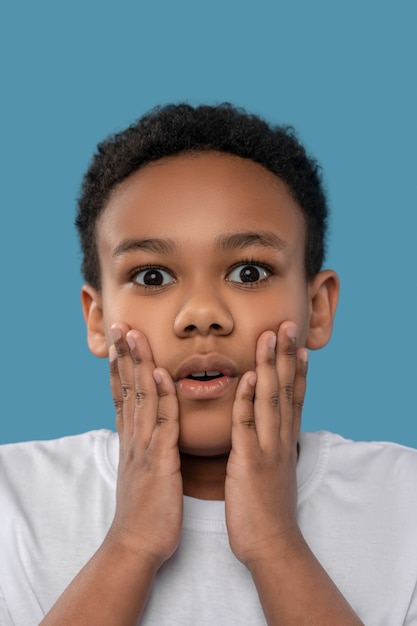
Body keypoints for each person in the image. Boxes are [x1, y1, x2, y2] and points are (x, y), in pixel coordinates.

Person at [1, 104, 416, 626]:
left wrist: (275, 543)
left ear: (318, 308)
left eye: (248, 271)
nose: (202, 315)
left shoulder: (406, 502)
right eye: (152, 277)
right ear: (98, 318)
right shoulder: (10, 501)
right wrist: (129, 544)